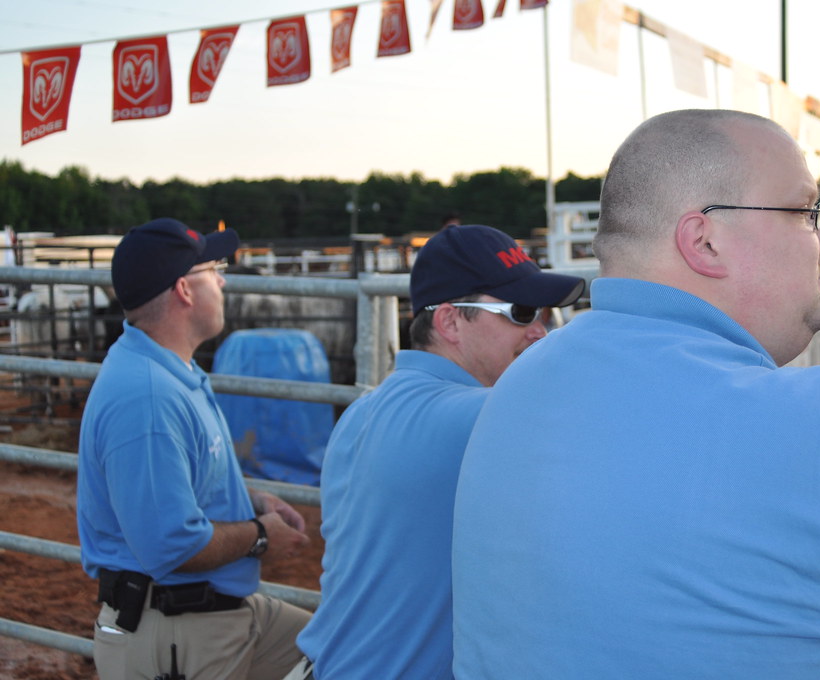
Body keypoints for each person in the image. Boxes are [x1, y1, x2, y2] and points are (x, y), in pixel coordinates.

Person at [451, 109, 820, 679]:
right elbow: (809, 458)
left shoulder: (525, 380)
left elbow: (740, 461)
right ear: (705, 242)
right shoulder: (818, 435)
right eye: (806, 211)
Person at [292, 225, 585, 679]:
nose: (540, 333)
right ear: (449, 322)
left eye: (545, 315)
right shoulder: (483, 417)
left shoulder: (361, 412)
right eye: (522, 312)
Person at [77, 218, 312, 680]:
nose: (223, 281)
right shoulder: (147, 397)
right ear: (184, 290)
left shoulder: (171, 372)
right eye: (213, 270)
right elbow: (172, 546)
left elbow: (184, 480)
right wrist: (260, 535)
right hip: (176, 628)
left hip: (207, 612)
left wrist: (251, 502)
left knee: (345, 651)